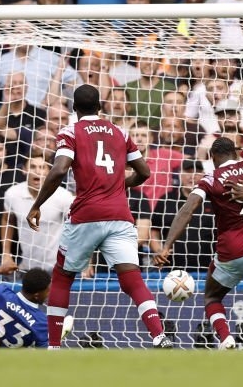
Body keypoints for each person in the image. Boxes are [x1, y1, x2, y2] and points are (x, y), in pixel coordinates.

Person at [27, 84, 171, 349]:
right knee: (132, 280)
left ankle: (54, 346)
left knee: (62, 277)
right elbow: (144, 172)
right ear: (101, 106)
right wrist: (118, 184)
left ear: (74, 108)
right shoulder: (119, 132)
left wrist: (37, 204)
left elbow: (59, 170)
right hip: (119, 214)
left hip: (86, 214)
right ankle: (158, 335)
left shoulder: (70, 132)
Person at [154, 138, 243, 350]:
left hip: (231, 252)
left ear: (212, 157)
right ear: (236, 153)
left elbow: (187, 210)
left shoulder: (210, 179)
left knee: (212, 297)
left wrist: (167, 245)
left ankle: (226, 338)